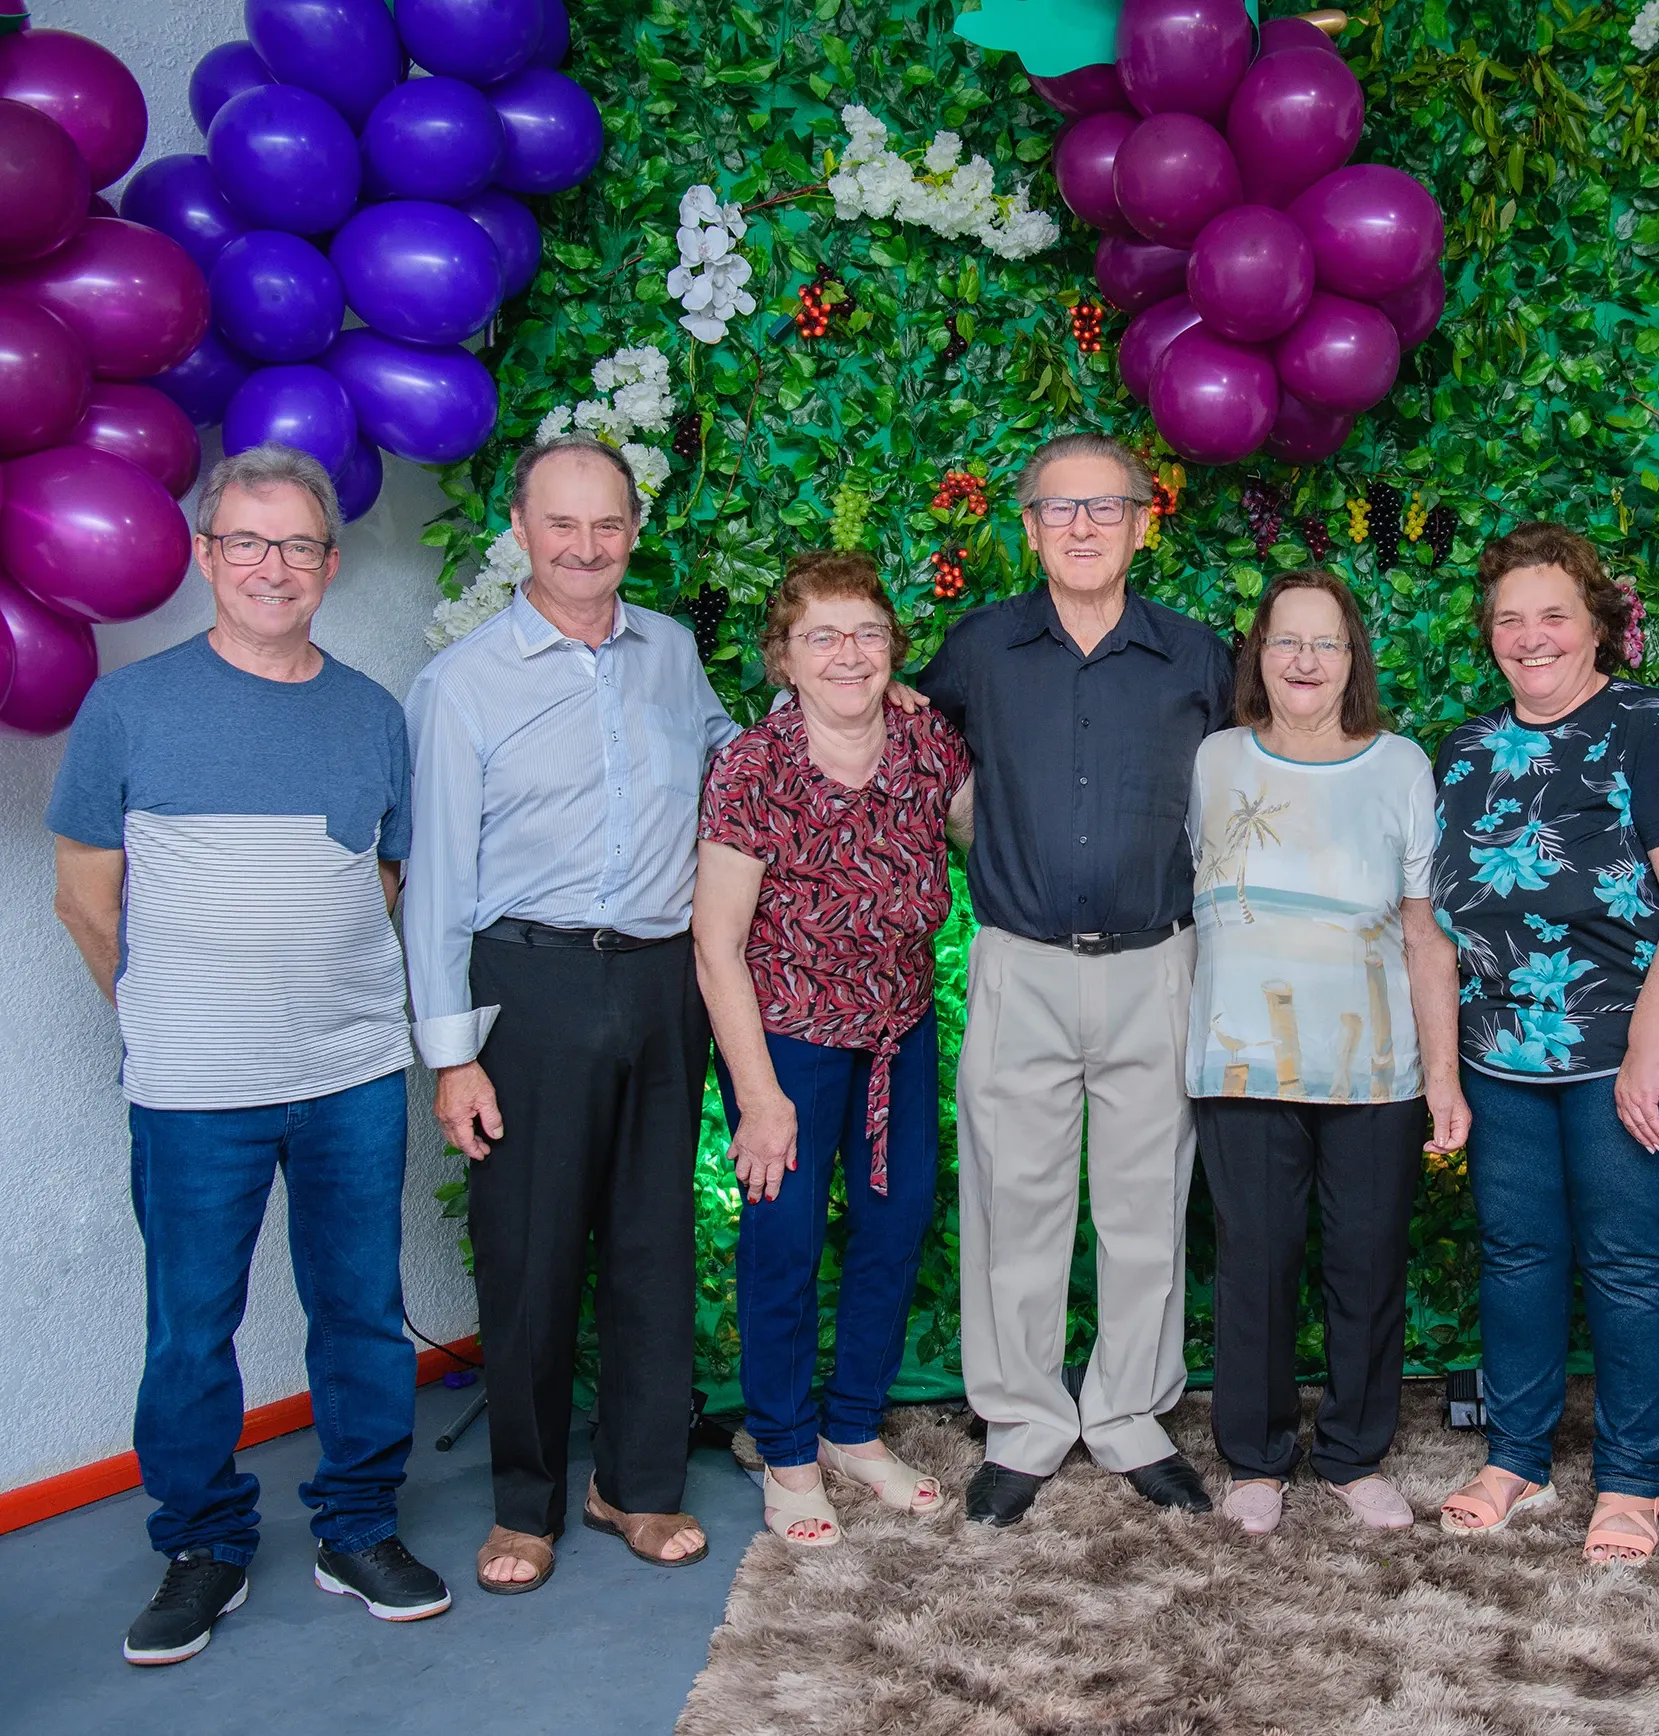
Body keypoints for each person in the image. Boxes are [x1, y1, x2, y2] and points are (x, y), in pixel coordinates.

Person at [49, 445, 449, 1665]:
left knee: (362, 1311)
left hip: (349, 1073)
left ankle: (357, 1524)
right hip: (192, 1087)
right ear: (209, 555)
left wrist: (305, 985)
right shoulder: (129, 708)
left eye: (298, 547)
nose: (273, 567)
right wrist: (173, 1012)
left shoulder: (371, 712)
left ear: (330, 564)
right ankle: (204, 1543)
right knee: (189, 1326)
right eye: (248, 543)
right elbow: (84, 898)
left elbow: (383, 878)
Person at [404, 435, 738, 1594]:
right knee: (531, 1254)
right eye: (561, 525)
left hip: (658, 980)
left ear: (634, 529)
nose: (585, 547)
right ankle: (526, 1503)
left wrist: (843, 716)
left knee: (653, 1243)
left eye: (607, 525)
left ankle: (636, 1487)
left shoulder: (671, 651)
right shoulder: (463, 683)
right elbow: (437, 880)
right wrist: (453, 1057)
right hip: (528, 983)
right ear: (520, 529)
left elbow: (728, 763)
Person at [917, 431, 1235, 1526]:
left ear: (1145, 521)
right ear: (1028, 525)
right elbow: (909, 756)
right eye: (1060, 508)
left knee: (1148, 1204)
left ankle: (1132, 1414)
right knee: (1014, 1198)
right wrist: (981, 836)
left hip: (1160, 963)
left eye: (1105, 507)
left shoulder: (1198, 655)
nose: (1084, 526)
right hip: (1021, 964)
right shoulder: (978, 647)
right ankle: (1022, 1419)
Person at [1429, 521, 1659, 1564]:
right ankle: (1515, 1455)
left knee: (1628, 1263)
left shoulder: (1651, 726)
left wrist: (1653, 1051)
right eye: (1509, 618)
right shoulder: (1466, 750)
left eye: (1553, 613)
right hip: (1503, 1053)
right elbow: (1435, 917)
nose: (1531, 635)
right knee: (1517, 1259)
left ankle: (1630, 1476)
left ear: (1597, 623)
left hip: (1629, 1048)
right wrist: (1447, 1068)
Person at [693, 553, 974, 1547]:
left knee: (894, 1230)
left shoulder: (925, 738)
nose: (848, 654)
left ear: (893, 645)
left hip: (898, 1030)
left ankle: (854, 1426)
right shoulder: (753, 765)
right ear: (784, 657)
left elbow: (988, 837)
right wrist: (760, 1098)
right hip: (787, 1038)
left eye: (866, 632)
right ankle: (784, 1446)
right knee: (787, 1241)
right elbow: (716, 942)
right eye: (823, 636)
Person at [1186, 571, 1469, 1537]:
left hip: (1376, 1067)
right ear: (1258, 656)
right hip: (1240, 1059)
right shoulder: (1214, 761)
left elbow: (1426, 935)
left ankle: (1353, 1451)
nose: (1305, 661)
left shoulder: (1401, 766)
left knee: (1365, 1260)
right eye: (1286, 642)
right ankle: (1256, 1457)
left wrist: (1443, 1079)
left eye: (1327, 643)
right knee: (1255, 1261)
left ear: (1354, 660)